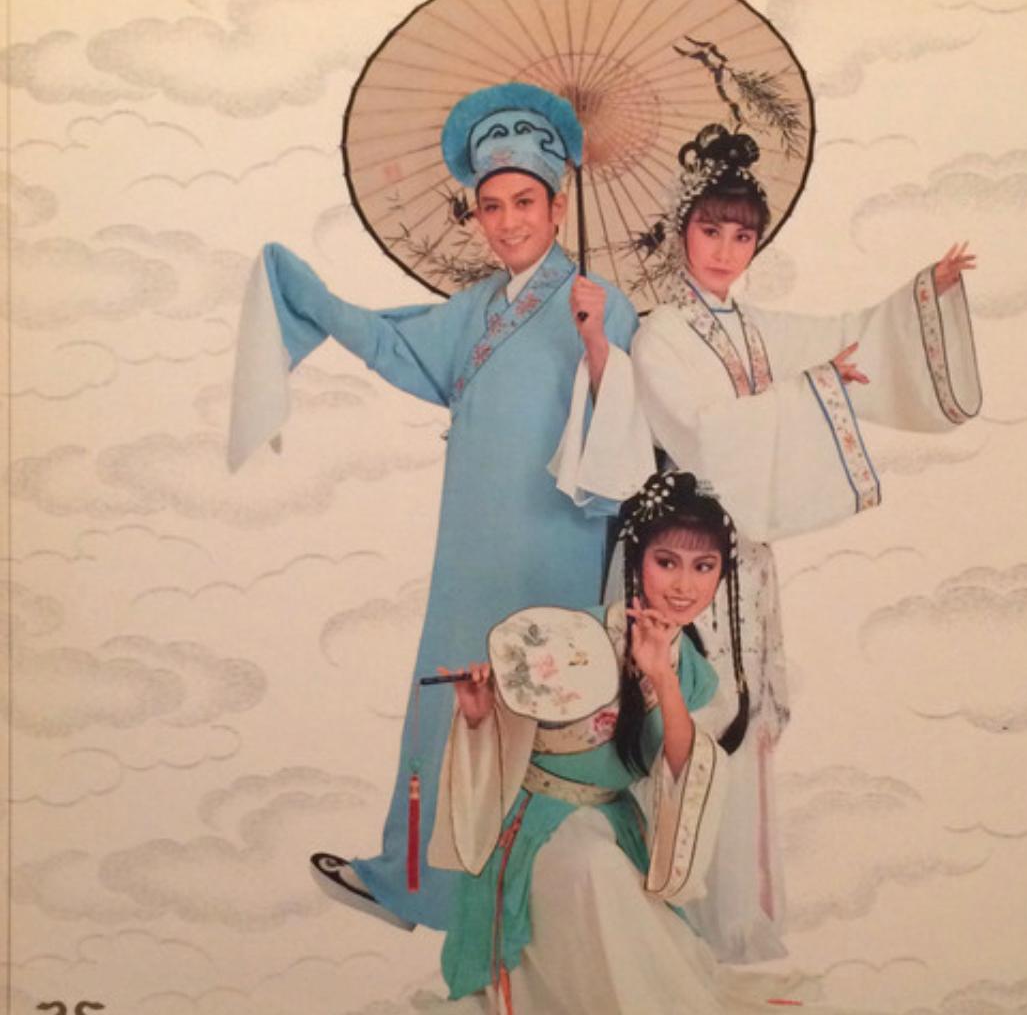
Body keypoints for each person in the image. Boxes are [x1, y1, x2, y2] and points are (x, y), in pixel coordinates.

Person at [227, 83, 653, 931]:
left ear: (558, 205)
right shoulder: (475, 309)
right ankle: (413, 881)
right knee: (449, 698)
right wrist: (311, 296)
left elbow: (629, 439)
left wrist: (599, 341)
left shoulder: (605, 304)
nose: (508, 221)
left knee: (547, 706)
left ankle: (540, 902)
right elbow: (396, 343)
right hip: (471, 547)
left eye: (525, 202)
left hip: (558, 543)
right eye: (491, 206)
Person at [626, 123, 983, 962]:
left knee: (748, 728)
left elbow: (845, 333)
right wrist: (811, 391)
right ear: (682, 232)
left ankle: (741, 925)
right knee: (689, 719)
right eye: (711, 230)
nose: (726, 250)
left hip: (746, 561)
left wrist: (920, 298)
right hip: (683, 559)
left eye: (741, 234)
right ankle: (683, 929)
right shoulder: (660, 334)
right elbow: (703, 434)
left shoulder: (756, 329)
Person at [425, 472, 819, 1014]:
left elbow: (683, 768)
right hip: (537, 825)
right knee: (596, 870)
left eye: (703, 567)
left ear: (721, 575)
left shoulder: (694, 673)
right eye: (667, 562)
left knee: (614, 884)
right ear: (637, 561)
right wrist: (478, 715)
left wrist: (662, 678)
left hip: (612, 822)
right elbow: (508, 742)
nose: (683, 585)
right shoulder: (574, 638)